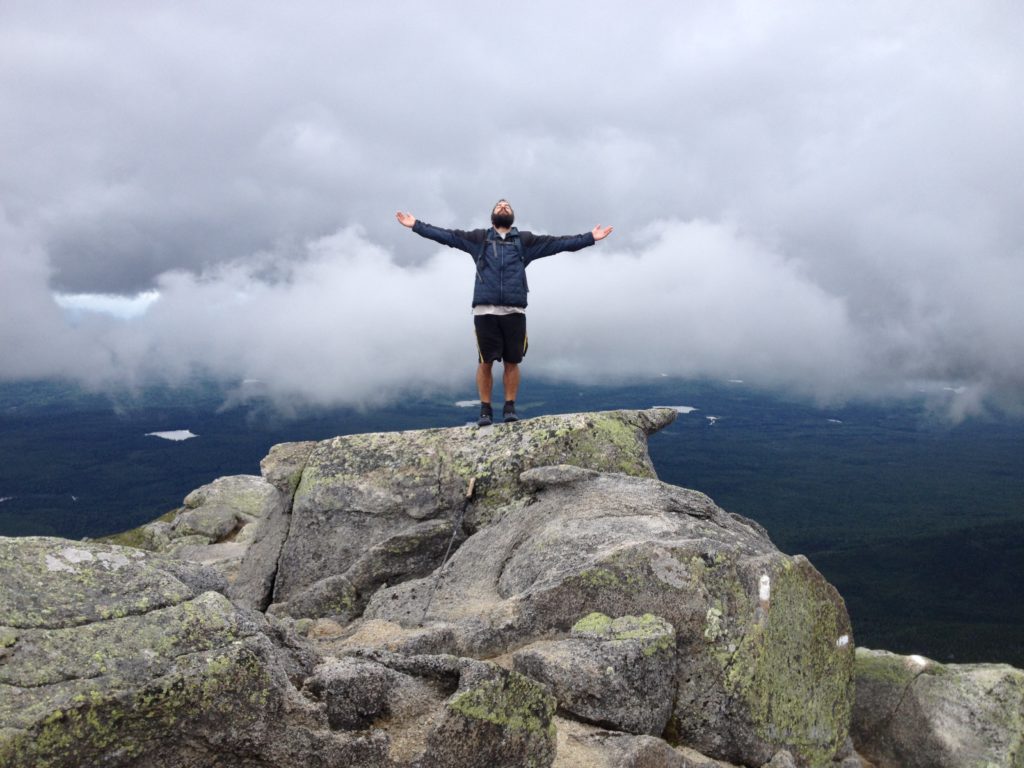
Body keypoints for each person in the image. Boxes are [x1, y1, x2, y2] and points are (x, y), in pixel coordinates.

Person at [396, 199, 612, 426]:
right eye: (499, 206)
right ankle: (485, 410)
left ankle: (509, 407)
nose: (503, 208)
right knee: (485, 362)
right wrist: (415, 225)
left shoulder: (525, 241)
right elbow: (446, 236)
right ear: (492, 216)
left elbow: (559, 244)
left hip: (514, 310)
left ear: (512, 216)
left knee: (512, 361)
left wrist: (589, 238)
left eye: (506, 206)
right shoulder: (479, 239)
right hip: (485, 310)